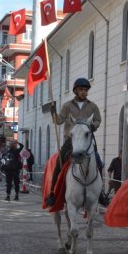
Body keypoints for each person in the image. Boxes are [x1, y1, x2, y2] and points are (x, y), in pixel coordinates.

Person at [45, 77, 102, 206]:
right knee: (60, 163)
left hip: (87, 139)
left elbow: (98, 120)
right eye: (81, 90)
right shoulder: (67, 106)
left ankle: (101, 193)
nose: (84, 92)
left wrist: (94, 126)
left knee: (98, 161)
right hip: (71, 140)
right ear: (76, 91)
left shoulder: (93, 106)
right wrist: (53, 112)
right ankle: (53, 192)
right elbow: (58, 121)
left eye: (85, 90)